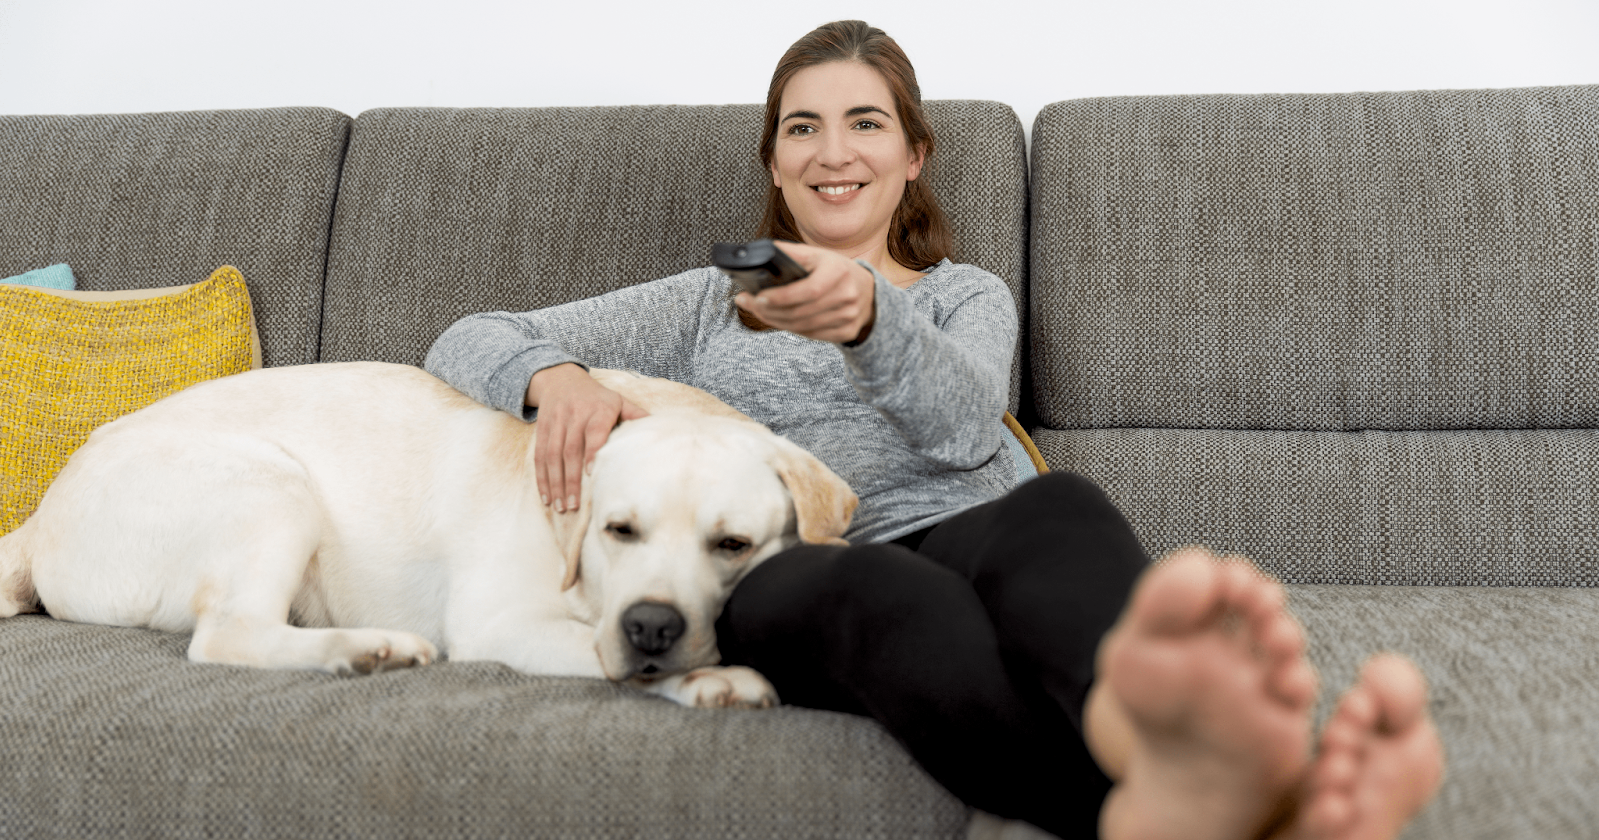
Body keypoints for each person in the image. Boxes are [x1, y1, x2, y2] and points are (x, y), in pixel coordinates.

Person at [424, 20, 1444, 840]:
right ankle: (1164, 815)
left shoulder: (965, 296)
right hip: (795, 564)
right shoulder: (708, 301)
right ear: (774, 164)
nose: (832, 153)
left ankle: (1158, 754)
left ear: (913, 155)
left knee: (1061, 501)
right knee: (874, 583)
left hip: (969, 528)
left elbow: (965, 431)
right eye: (801, 128)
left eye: (864, 123)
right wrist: (552, 378)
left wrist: (871, 319)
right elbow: (464, 337)